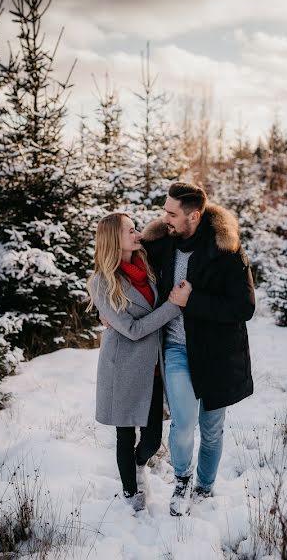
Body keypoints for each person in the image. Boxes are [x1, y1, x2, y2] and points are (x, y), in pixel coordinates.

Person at [141, 182, 256, 516]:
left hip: (217, 354)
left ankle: (205, 488)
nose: (165, 218)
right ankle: (183, 479)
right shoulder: (162, 242)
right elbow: (121, 267)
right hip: (177, 347)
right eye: (165, 211)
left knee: (212, 427)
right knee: (183, 422)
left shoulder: (227, 250)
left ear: (193, 216)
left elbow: (244, 307)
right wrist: (106, 307)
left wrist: (192, 301)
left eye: (172, 213)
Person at [86, 212, 192, 512]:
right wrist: (173, 307)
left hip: (153, 364)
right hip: (123, 366)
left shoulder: (145, 264)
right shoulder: (101, 282)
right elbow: (131, 330)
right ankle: (131, 492)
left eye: (135, 229)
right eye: (130, 231)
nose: (137, 234)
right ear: (113, 239)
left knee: (153, 438)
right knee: (124, 433)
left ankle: (137, 463)